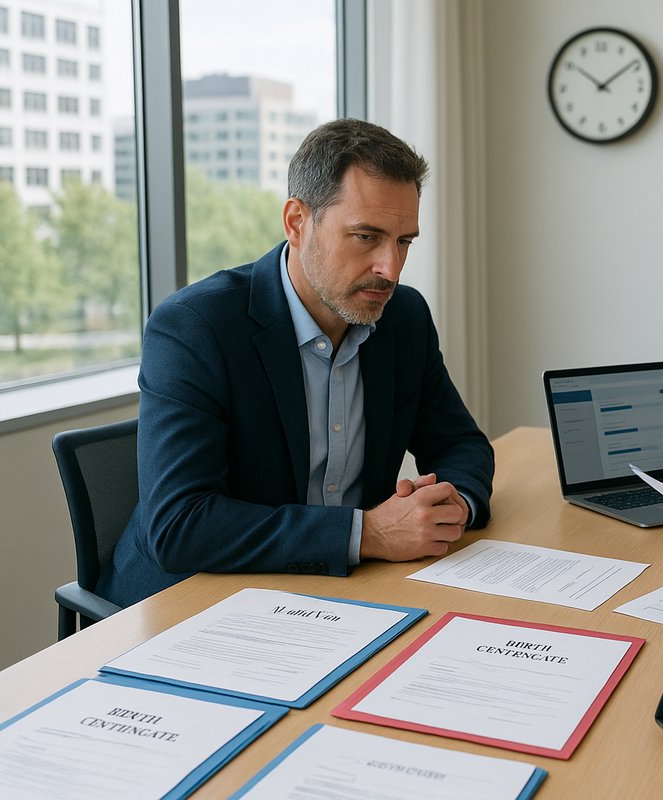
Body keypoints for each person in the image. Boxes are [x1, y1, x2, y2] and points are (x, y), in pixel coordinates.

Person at [99, 119, 494, 607]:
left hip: (342, 590)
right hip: (194, 599)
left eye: (403, 241)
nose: (389, 268)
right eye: (366, 236)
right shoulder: (195, 327)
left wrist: (451, 506)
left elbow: (459, 443)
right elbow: (181, 525)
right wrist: (367, 533)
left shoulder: (403, 317)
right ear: (296, 221)